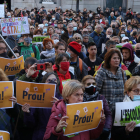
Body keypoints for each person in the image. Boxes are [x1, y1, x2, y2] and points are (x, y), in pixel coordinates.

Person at [22, 72, 62, 140]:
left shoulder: (61, 99)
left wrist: (59, 107)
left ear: (57, 82)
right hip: (40, 135)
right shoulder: (38, 98)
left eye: (54, 80)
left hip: (56, 135)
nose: (52, 82)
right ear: (44, 82)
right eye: (49, 80)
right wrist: (28, 113)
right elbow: (31, 124)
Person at [95, 48, 127, 113]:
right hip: (106, 110)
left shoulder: (123, 72)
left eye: (118, 58)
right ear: (109, 60)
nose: (117, 60)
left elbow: (126, 91)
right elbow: (96, 92)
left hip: (120, 110)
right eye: (114, 58)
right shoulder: (101, 72)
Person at [82, 75, 112, 140]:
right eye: (88, 84)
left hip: (100, 130)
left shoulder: (101, 97)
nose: (92, 86)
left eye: (93, 83)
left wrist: (107, 128)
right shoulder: (80, 99)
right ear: (83, 86)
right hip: (85, 132)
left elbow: (108, 114)